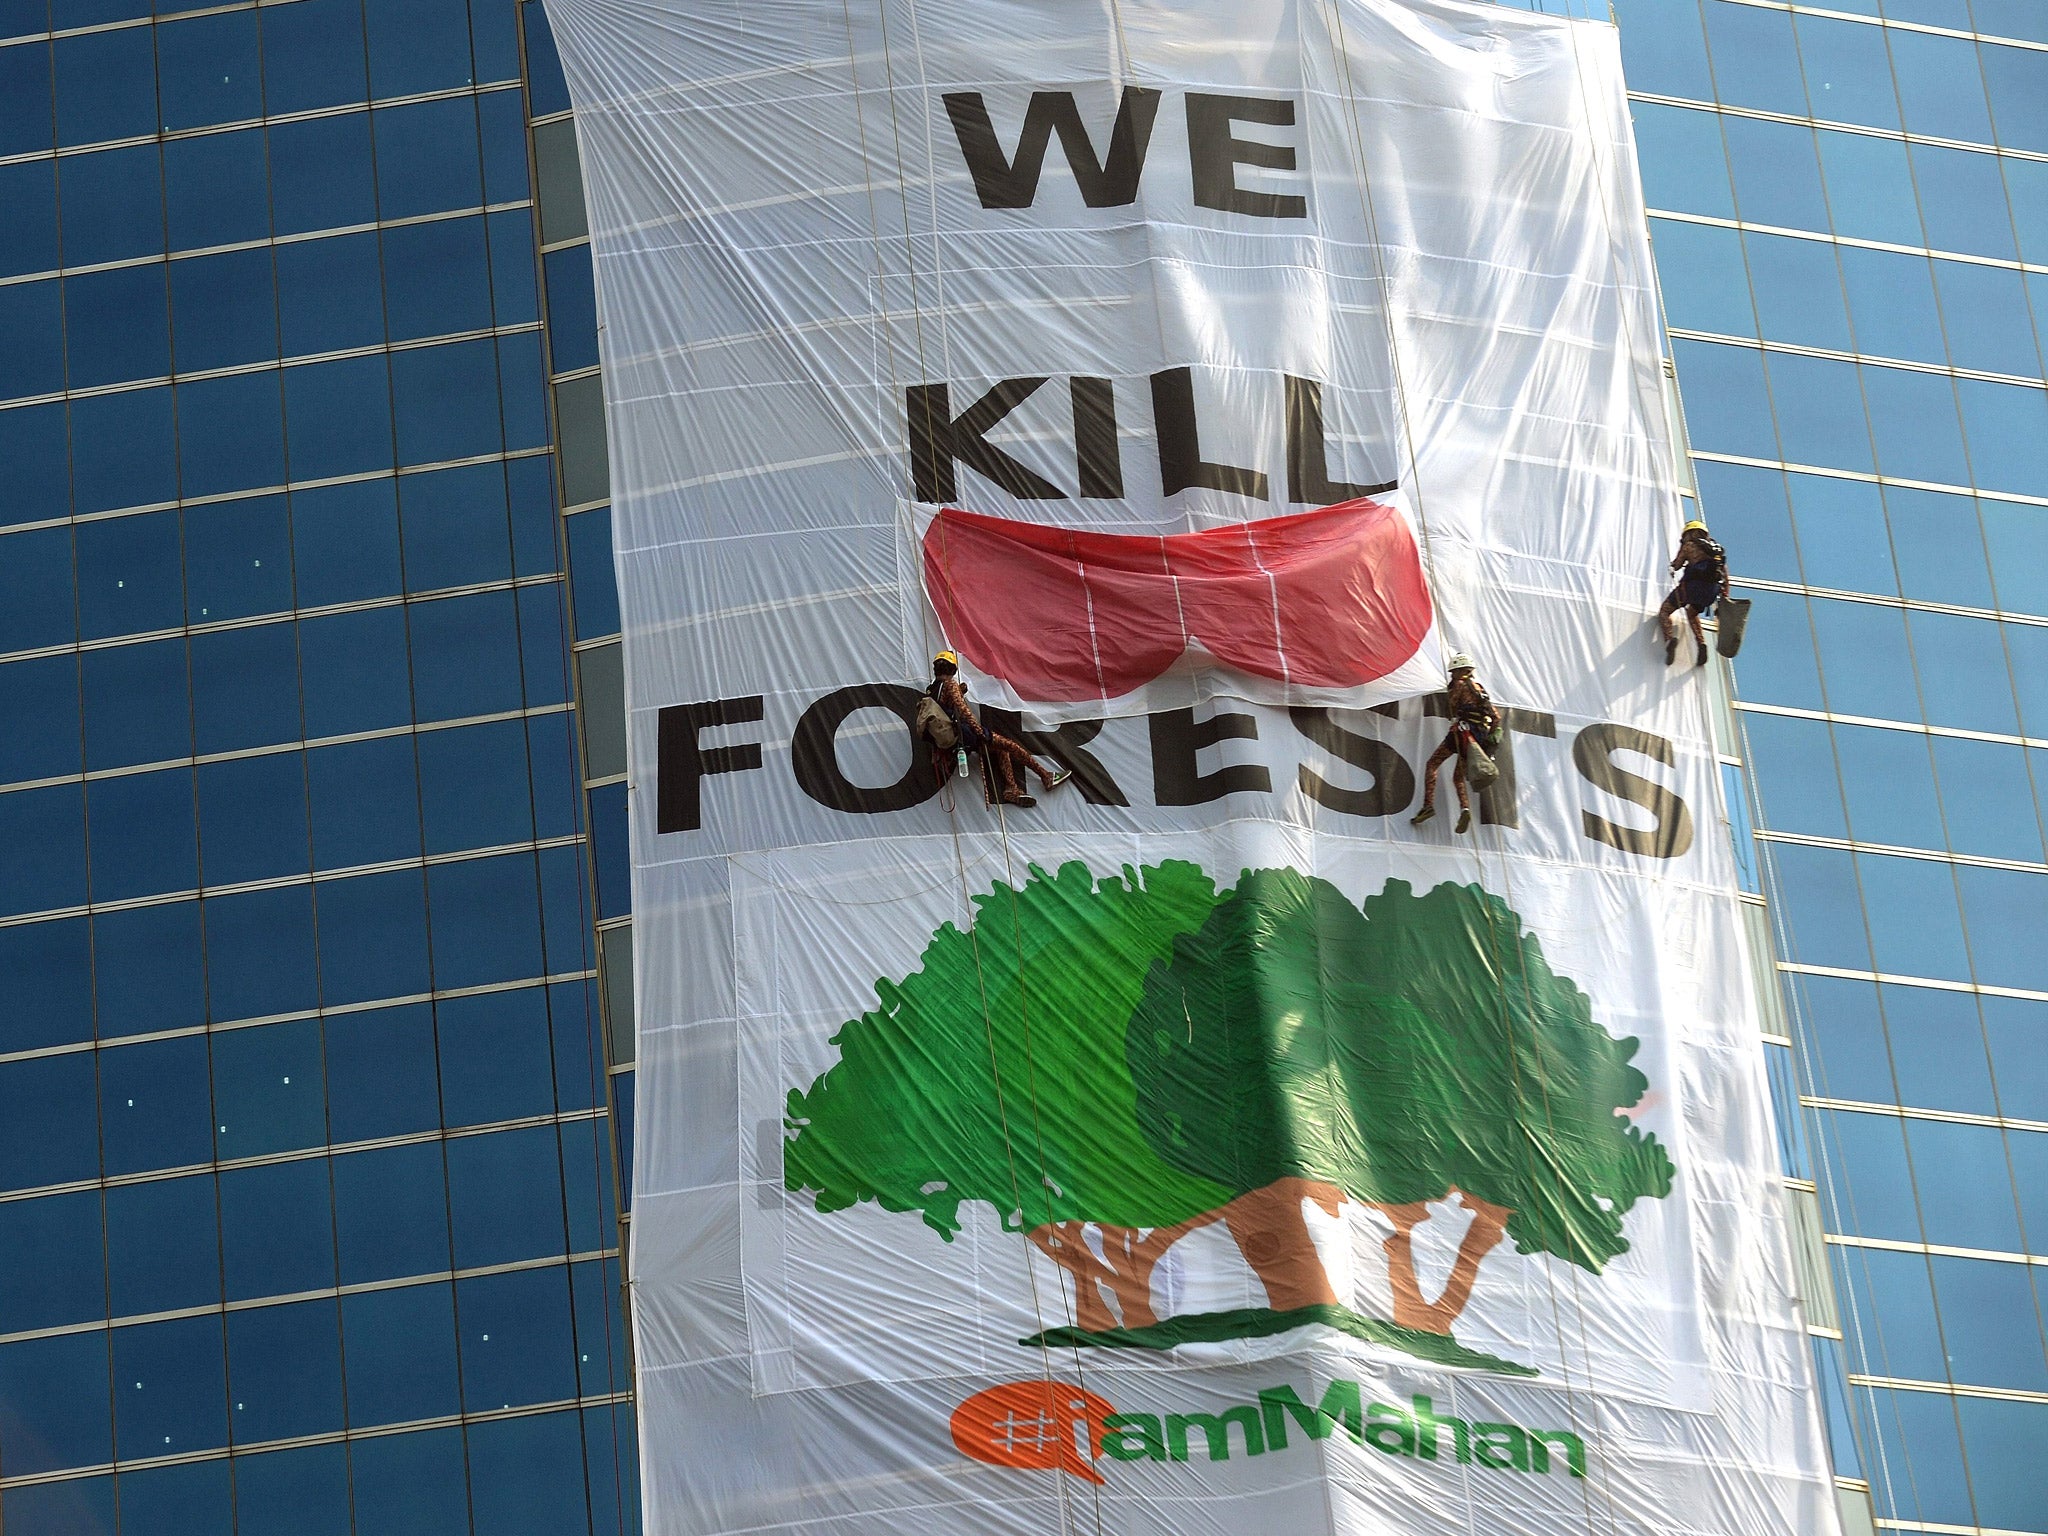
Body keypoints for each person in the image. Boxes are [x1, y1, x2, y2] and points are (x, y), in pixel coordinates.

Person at [925, 651, 1072, 808]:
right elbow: (962, 710)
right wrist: (978, 730)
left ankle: (1011, 789)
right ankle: (1046, 776)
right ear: (953, 669)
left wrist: (960, 692)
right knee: (1010, 745)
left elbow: (945, 707)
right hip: (964, 734)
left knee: (1002, 749)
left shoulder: (932, 690)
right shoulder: (950, 684)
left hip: (949, 740)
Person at [1410, 652, 1500, 835]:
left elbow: (1450, 707)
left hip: (1462, 733)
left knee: (1432, 764)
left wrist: (1451, 693)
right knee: (1458, 777)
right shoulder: (1480, 689)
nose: (1451, 676)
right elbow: (1496, 718)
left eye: (1453, 673)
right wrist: (1488, 737)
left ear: (1459, 671)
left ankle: (1428, 805)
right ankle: (1465, 809)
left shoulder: (1459, 685)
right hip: (1478, 738)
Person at [1658, 518, 1729, 667]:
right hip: (1710, 592)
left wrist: (1672, 567)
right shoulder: (1715, 550)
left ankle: (1670, 640)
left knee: (1664, 612)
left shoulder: (1689, 545)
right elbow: (1725, 576)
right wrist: (1725, 596)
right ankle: (1701, 644)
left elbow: (1677, 564)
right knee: (1692, 613)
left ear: (1688, 534)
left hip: (1691, 588)